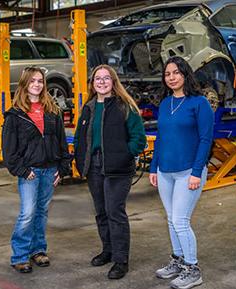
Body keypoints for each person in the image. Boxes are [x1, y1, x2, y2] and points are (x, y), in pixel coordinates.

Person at [74, 64, 147, 280]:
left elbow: (139, 139)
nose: (102, 82)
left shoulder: (125, 106)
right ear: (93, 83)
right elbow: (79, 137)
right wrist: (80, 161)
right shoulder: (88, 108)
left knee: (115, 212)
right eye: (98, 79)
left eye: (107, 78)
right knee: (101, 212)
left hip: (118, 169)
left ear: (113, 82)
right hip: (94, 167)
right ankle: (108, 250)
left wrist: (125, 154)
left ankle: (120, 260)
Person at [149, 56, 214, 289]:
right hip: (165, 171)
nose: (172, 77)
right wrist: (153, 167)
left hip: (189, 171)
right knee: (171, 220)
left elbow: (206, 139)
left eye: (176, 72)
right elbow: (161, 138)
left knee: (180, 220)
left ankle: (193, 269)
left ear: (186, 74)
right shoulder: (166, 104)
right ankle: (177, 261)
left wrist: (197, 171)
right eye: (167, 74)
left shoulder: (199, 103)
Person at [2, 66, 71, 273]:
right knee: (28, 212)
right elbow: (9, 149)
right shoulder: (15, 115)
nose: (37, 85)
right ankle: (20, 256)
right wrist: (22, 170)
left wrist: (62, 167)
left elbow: (61, 142)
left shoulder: (53, 111)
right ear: (24, 84)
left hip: (50, 170)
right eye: (32, 81)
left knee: (41, 212)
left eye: (40, 81)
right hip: (30, 171)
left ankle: (38, 250)